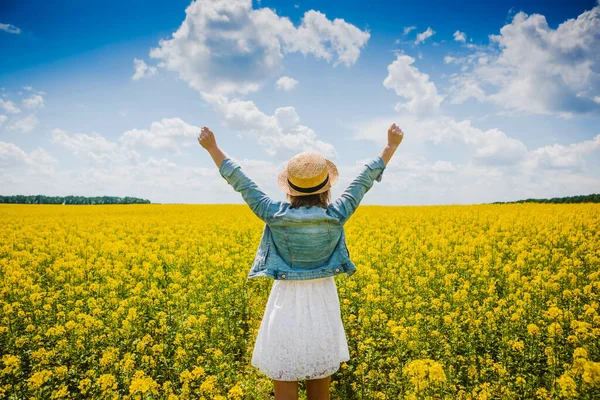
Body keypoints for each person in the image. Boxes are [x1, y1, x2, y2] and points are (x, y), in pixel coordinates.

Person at [198, 124, 404, 400]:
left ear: (290, 188)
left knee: (285, 372)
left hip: (285, 304)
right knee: (319, 376)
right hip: (322, 302)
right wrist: (389, 148)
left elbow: (242, 183)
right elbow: (362, 182)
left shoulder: (274, 214)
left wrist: (212, 148)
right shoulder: (337, 214)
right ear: (326, 187)